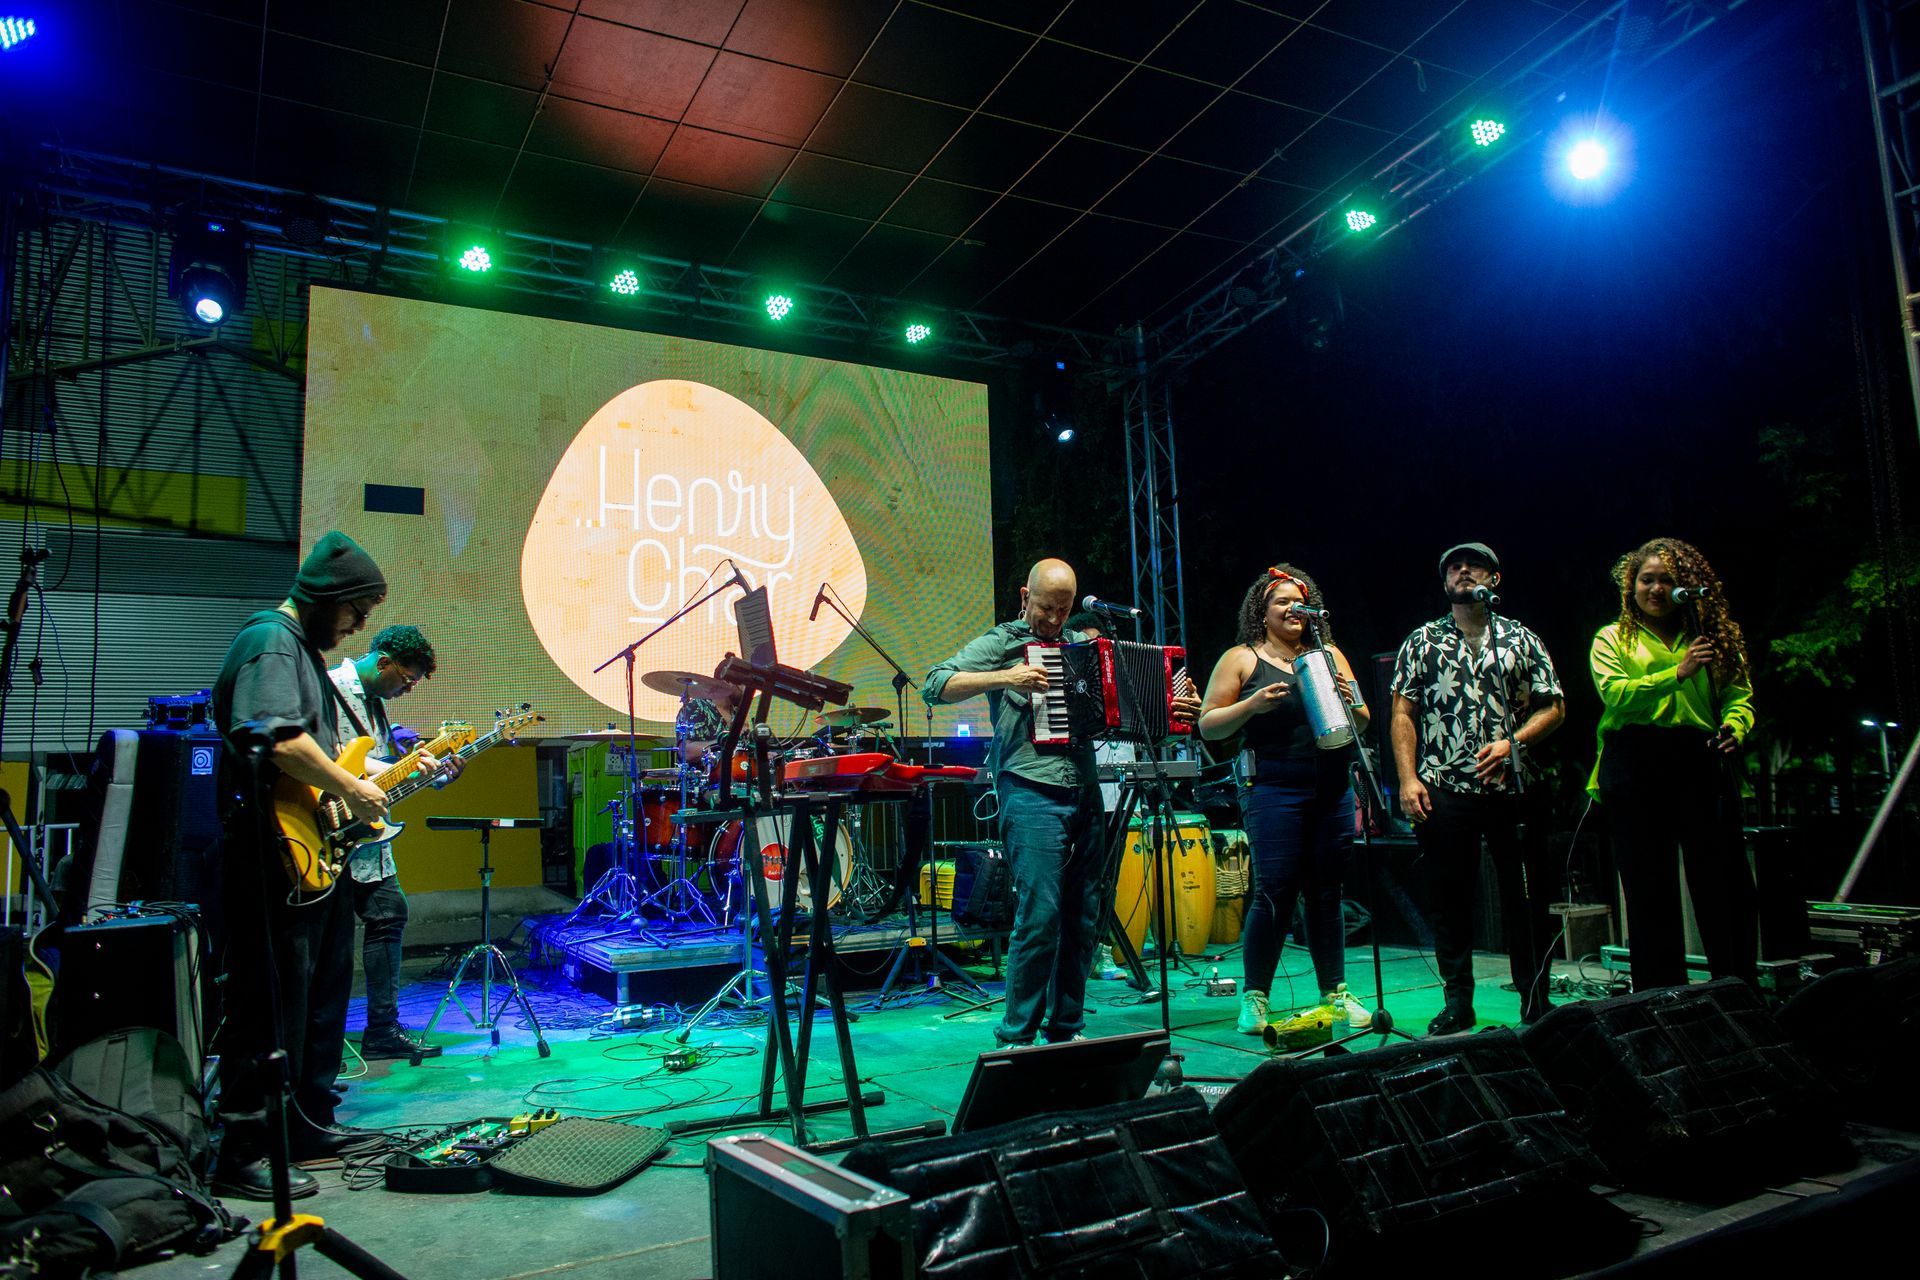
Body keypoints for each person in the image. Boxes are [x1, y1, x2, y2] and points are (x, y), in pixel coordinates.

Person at [926, 559, 1199, 1045]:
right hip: (1030, 789)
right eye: (1046, 608)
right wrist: (1005, 678)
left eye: (1064, 609)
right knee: (1041, 913)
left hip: (1084, 789)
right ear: (1024, 595)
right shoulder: (1002, 642)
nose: (1054, 620)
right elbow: (936, 683)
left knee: (1083, 913)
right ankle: (1017, 1035)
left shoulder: (1082, 649)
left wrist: (1175, 703)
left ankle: (1067, 1027)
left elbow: (1128, 708)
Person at [210, 531, 390, 1200]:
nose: (358, 627)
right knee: (268, 1000)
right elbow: (279, 739)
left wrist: (380, 773)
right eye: (356, 611)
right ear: (328, 598)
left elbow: (322, 755)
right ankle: (241, 1147)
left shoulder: (303, 654)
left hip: (308, 854)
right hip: (269, 853)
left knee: (320, 992)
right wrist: (352, 789)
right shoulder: (269, 642)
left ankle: (307, 1122)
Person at [1390, 542, 1565, 1034]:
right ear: (1445, 582)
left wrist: (1515, 742)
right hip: (1445, 787)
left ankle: (1536, 1000)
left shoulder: (1521, 639)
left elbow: (1554, 706)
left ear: (1495, 579)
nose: (1463, 571)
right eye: (1453, 567)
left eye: (1474, 565)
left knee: (1526, 900)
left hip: (1515, 788)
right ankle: (1458, 1003)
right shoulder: (1421, 640)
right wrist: (1407, 779)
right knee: (1452, 900)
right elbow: (1402, 714)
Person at [1199, 565, 1371, 1036]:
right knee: (1275, 889)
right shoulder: (1242, 659)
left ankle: (1334, 991)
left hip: (1332, 787)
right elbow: (1209, 724)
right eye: (1282, 602)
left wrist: (1348, 701)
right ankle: (1255, 998)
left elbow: (1363, 718)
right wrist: (1251, 705)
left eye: (1300, 602)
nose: (1293, 609)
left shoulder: (1329, 654)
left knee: (1327, 890)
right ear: (1263, 610)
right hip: (1274, 788)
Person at [1590, 537, 1756, 991]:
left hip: (1701, 760)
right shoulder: (1612, 637)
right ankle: (1659, 999)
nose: (1657, 589)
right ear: (1632, 586)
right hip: (1635, 762)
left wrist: (1736, 728)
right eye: (1647, 579)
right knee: (1649, 892)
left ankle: (1737, 992)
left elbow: (1740, 696)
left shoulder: (1713, 638)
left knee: (1722, 886)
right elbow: (1616, 695)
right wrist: (1675, 673)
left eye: (1669, 580)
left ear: (1689, 587)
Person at [330, 625, 462, 1061]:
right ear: (382, 661)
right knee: (327, 940)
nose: (407, 689)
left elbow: (390, 778)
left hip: (368, 839)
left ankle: (382, 1029)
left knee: (389, 915)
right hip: (321, 830)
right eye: (406, 679)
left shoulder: (378, 707)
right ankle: (317, 1035)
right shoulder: (330, 687)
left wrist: (440, 773)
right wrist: (393, 765)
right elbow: (322, 751)